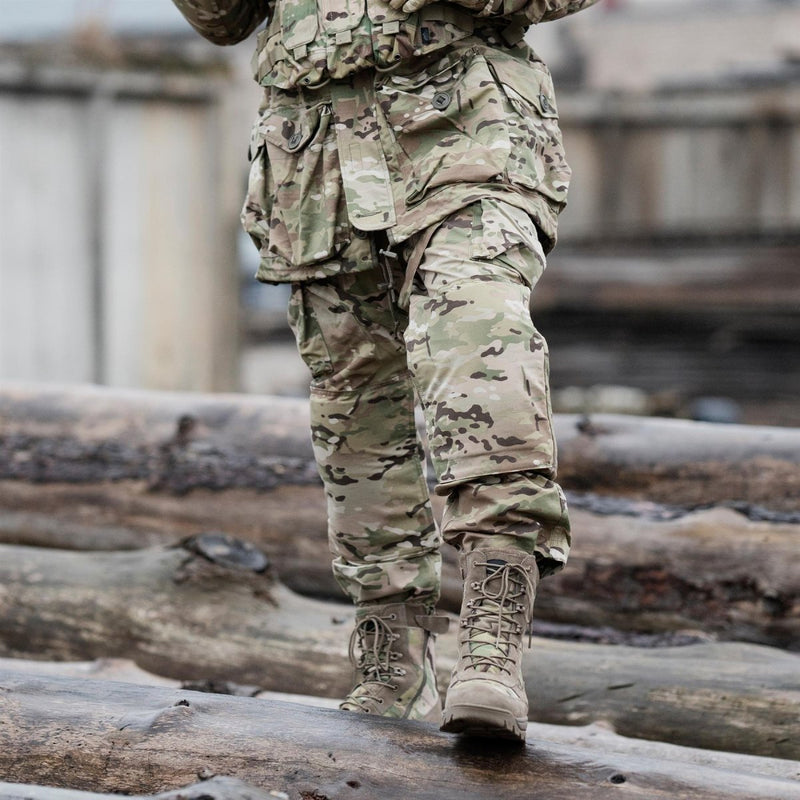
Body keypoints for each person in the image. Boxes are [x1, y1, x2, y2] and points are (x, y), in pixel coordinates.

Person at [172, 0, 597, 742]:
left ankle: (491, 639)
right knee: (354, 414)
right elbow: (224, 17)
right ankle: (390, 660)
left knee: (478, 350)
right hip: (314, 162)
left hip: (462, 129)